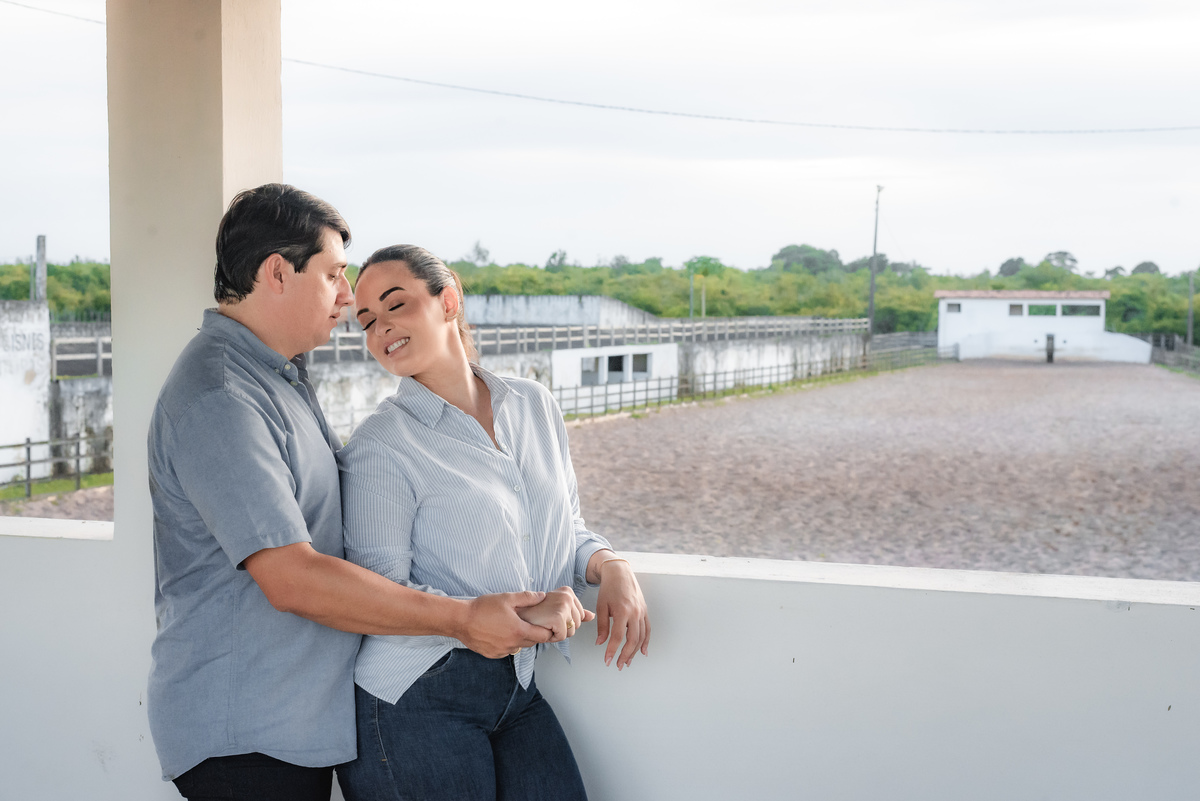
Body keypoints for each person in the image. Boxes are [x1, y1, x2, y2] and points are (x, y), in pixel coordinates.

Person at [148, 185, 561, 801]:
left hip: (296, 721)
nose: (346, 296)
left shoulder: (278, 376)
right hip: (245, 732)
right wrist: (464, 619)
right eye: (334, 274)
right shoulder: (222, 397)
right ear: (278, 273)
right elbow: (291, 579)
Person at [337, 244, 651, 801]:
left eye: (396, 305)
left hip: (516, 684)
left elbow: (563, 525)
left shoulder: (534, 405)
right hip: (417, 697)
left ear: (448, 299)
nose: (381, 328)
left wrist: (611, 566)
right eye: (366, 321)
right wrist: (530, 610)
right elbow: (379, 597)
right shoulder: (381, 444)